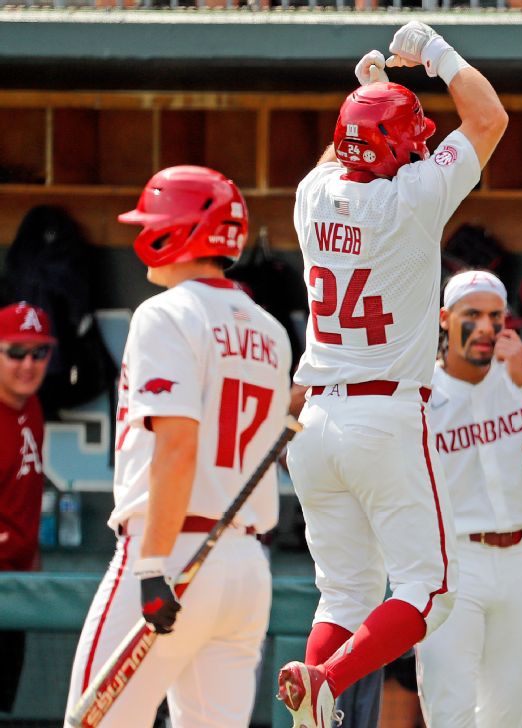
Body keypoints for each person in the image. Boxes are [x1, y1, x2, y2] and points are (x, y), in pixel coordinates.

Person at [276, 23, 508, 728]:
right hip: (383, 415)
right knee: (430, 591)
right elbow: (489, 117)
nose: (422, 143)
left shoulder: (312, 195)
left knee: (342, 595)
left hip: (315, 421)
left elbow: (343, 154)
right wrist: (433, 53)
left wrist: (367, 98)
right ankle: (326, 682)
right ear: (398, 148)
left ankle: (316, 701)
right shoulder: (412, 197)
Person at [65, 165, 292, 727]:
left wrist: (149, 566)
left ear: (177, 230)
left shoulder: (166, 313)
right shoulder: (270, 329)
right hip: (244, 563)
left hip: (173, 551)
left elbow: (176, 448)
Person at [417, 270, 522, 727]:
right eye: (473, 315)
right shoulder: (420, 391)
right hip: (452, 562)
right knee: (451, 711)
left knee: (510, 713)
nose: (486, 326)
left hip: (518, 560)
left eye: (495, 316)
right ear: (445, 320)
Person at [0, 302, 53, 713]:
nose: (28, 364)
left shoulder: (32, 407)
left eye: (39, 352)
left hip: (16, 583)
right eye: (15, 352)